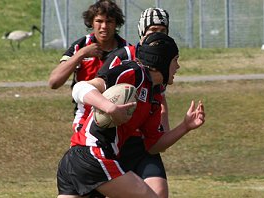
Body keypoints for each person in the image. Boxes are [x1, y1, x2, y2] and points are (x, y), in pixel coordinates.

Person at [57, 32, 206, 198]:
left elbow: (154, 146)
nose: (177, 67)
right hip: (92, 153)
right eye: (175, 60)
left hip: (80, 159)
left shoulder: (154, 97)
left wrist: (185, 126)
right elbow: (80, 88)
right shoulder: (134, 73)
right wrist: (110, 108)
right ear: (161, 61)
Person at [98, 7, 171, 197]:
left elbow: (159, 97)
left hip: (143, 142)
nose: (158, 36)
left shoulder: (165, 59)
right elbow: (98, 89)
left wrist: (164, 124)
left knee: (159, 192)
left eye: (163, 31)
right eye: (153, 30)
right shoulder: (123, 56)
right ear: (142, 32)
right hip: (115, 141)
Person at [48, 0, 130, 132]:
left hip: (117, 116)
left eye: (109, 21)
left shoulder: (127, 51)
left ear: (116, 24)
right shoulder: (80, 46)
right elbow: (54, 82)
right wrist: (81, 54)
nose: (104, 26)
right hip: (84, 119)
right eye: (99, 21)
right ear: (91, 22)